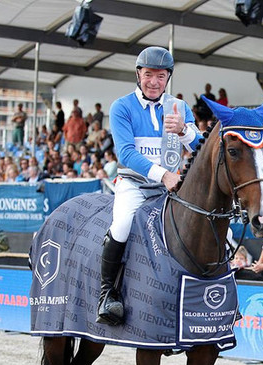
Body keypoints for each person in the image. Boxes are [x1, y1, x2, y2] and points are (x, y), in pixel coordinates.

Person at [97, 46, 201, 326]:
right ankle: (108, 293)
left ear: (168, 77)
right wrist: (163, 175)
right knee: (121, 225)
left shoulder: (179, 106)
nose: (154, 82)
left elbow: (199, 148)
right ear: (138, 74)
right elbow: (127, 154)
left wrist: (184, 129)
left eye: (161, 76)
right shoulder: (122, 106)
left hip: (172, 187)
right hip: (135, 184)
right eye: (149, 75)